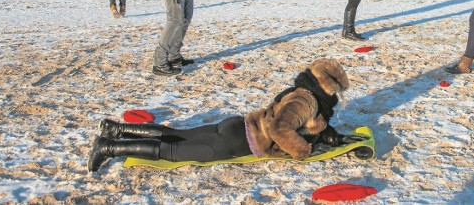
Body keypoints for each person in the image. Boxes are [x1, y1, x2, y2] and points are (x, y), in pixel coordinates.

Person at [88, 59, 365, 173]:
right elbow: (281, 130)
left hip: (237, 125)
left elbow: (294, 123)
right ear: (329, 89)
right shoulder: (307, 101)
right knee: (173, 151)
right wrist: (302, 151)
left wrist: (330, 135)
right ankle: (109, 146)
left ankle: (117, 129)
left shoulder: (299, 90)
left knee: (180, 134)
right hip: (239, 143)